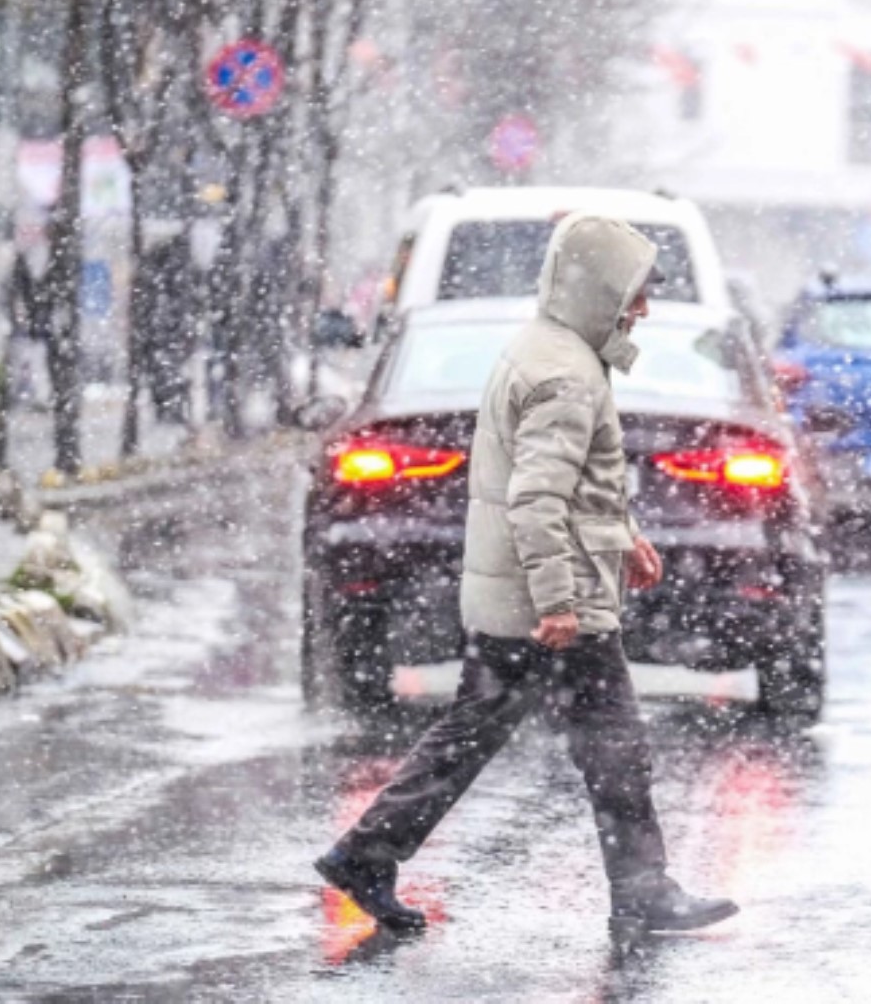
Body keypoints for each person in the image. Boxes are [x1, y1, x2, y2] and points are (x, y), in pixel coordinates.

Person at [314, 214, 738, 938]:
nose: (644, 309)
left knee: (475, 732)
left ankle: (365, 854)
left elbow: (575, 483)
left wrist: (626, 537)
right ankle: (642, 890)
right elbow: (538, 498)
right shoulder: (566, 374)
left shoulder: (549, 348)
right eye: (635, 294)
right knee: (614, 746)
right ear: (599, 290)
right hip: (550, 602)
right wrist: (559, 602)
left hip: (523, 593)